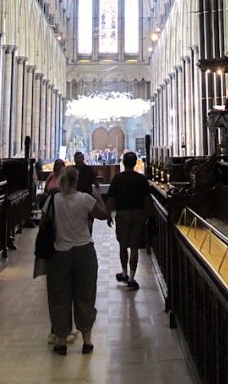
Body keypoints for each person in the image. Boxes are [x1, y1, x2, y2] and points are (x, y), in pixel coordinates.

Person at [41, 165, 108, 355]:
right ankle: (87, 341)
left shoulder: (53, 200)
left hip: (60, 253)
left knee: (59, 296)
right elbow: (103, 215)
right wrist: (98, 197)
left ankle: (61, 341)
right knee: (85, 295)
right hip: (84, 251)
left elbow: (43, 224)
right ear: (75, 181)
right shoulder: (85, 199)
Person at [106, 150, 152, 290]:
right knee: (134, 247)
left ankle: (124, 272)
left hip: (122, 215)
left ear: (123, 163)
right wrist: (147, 215)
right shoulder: (141, 179)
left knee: (122, 245)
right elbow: (147, 200)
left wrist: (109, 215)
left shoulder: (117, 179)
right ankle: (131, 277)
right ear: (135, 163)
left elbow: (111, 199)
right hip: (137, 214)